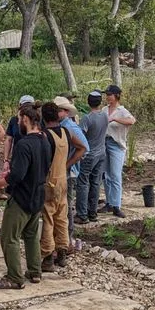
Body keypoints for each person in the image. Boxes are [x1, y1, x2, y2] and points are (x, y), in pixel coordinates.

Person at [0, 105, 51, 289]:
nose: (17, 122)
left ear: (25, 119)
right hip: (38, 195)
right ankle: (35, 271)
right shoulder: (44, 140)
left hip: (22, 198)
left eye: (18, 118)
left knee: (9, 237)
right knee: (30, 235)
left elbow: (16, 176)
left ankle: (14, 278)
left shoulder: (24, 144)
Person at [39, 102, 76, 271]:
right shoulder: (66, 132)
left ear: (43, 117)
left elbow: (43, 161)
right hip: (63, 178)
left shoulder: (45, 135)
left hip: (50, 181)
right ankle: (62, 252)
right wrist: (67, 164)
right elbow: (82, 148)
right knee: (62, 216)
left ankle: (47, 257)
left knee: (48, 217)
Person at [54, 95, 89, 256]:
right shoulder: (60, 125)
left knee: (66, 206)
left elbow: (84, 148)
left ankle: (68, 239)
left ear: (66, 112)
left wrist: (67, 164)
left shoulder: (70, 127)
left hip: (69, 172)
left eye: (58, 110)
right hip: (62, 171)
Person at [76, 91, 109, 223]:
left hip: (89, 155)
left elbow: (80, 136)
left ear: (88, 102)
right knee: (95, 183)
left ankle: (82, 214)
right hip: (101, 153)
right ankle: (92, 213)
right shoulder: (105, 116)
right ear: (100, 102)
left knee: (83, 183)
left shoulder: (87, 118)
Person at [103, 85, 135, 218]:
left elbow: (132, 121)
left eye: (110, 94)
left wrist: (115, 119)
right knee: (106, 175)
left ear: (116, 96)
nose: (107, 97)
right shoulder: (104, 109)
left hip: (116, 144)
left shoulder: (122, 111)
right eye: (107, 94)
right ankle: (109, 202)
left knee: (115, 175)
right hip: (104, 143)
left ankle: (117, 205)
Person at [3, 95, 35, 168]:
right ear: (20, 106)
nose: (27, 108)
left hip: (33, 159)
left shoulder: (37, 121)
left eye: (29, 106)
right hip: (17, 158)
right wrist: (6, 160)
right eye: (25, 106)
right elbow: (9, 140)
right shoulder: (14, 120)